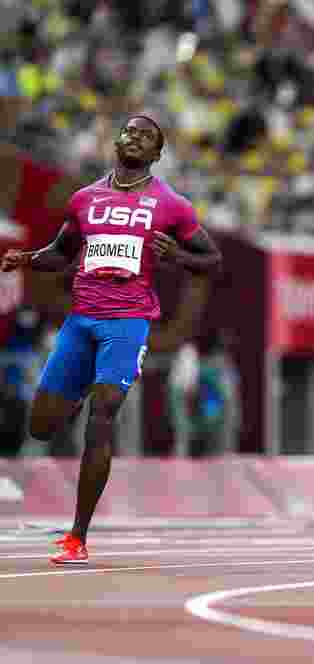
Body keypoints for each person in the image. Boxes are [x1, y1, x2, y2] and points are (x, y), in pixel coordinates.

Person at [0, 114, 222, 563]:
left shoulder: (171, 204)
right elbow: (61, 254)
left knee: (104, 417)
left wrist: (176, 254)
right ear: (117, 143)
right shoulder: (84, 199)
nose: (136, 137)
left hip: (129, 321)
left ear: (157, 155)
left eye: (147, 136)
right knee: (41, 426)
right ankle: (77, 392)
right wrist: (27, 258)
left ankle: (77, 535)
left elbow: (211, 259)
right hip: (82, 320)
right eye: (130, 131)